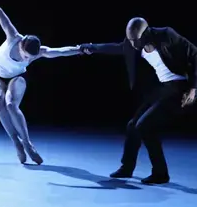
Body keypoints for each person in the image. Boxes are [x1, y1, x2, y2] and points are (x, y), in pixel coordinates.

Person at [80, 17, 196, 184]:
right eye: (130, 40)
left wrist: (193, 88)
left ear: (146, 33)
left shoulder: (166, 35)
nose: (133, 44)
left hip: (181, 88)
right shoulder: (131, 43)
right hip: (164, 88)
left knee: (145, 126)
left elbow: (194, 55)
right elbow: (117, 48)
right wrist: (93, 48)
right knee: (133, 125)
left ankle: (161, 173)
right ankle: (127, 168)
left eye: (136, 40)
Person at [0, 6, 83, 164]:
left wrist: (80, 49)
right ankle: (17, 143)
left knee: (11, 104)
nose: (26, 59)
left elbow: (61, 52)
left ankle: (28, 143)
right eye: (25, 56)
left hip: (17, 77)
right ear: (21, 44)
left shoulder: (38, 52)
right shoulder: (13, 37)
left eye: (30, 58)